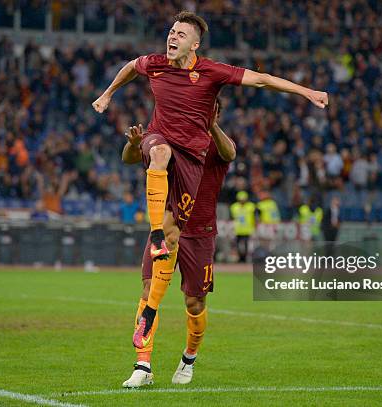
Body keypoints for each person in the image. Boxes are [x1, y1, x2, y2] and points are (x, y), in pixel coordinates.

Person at [92, 11, 328, 350]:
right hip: (160, 142)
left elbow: (262, 80)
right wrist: (108, 93)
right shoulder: (155, 64)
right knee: (158, 154)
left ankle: (161, 317)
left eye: (180, 34)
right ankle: (155, 236)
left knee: (178, 243)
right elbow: (131, 66)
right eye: (171, 31)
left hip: (190, 161)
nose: (172, 37)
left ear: (195, 44)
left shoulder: (211, 72)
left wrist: (307, 92)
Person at [120, 100, 235, 387]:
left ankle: (189, 359)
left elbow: (230, 152)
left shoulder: (216, 144)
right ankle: (142, 365)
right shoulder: (167, 139)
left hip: (200, 232)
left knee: (195, 302)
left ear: (216, 112)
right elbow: (129, 158)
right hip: (168, 227)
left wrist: (209, 125)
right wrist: (135, 144)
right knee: (148, 290)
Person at [230, 191, 256, 262]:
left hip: (248, 229)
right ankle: (240, 258)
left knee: (247, 245)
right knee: (237, 245)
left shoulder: (251, 206)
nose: (242, 201)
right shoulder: (234, 206)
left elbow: (255, 217)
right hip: (237, 229)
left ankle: (246, 258)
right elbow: (232, 218)